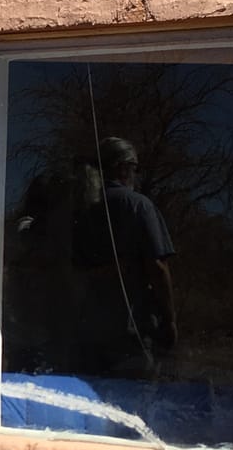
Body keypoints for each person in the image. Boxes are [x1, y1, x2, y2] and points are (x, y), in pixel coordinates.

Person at [72, 136, 177, 374]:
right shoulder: (138, 205)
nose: (136, 175)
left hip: (87, 329)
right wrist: (170, 320)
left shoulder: (81, 210)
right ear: (123, 167)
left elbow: (73, 269)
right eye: (135, 168)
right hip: (132, 332)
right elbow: (157, 267)